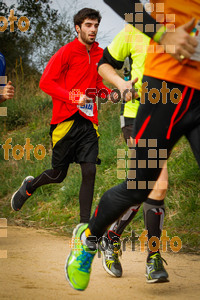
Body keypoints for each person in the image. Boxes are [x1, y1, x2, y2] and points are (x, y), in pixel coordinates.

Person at [65, 0, 200, 291]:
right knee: (144, 186)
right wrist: (161, 35)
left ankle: (150, 256)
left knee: (155, 186)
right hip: (160, 95)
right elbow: (105, 64)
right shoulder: (134, 29)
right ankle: (92, 238)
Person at [11, 8, 111, 225]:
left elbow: (98, 84)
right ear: (78, 28)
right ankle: (29, 186)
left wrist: (111, 94)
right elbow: (45, 82)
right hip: (65, 120)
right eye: (88, 25)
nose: (93, 29)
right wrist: (73, 97)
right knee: (58, 175)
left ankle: (85, 226)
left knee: (90, 170)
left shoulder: (100, 54)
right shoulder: (66, 52)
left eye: (95, 26)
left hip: (88, 122)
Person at [98, 23, 168, 280]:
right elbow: (103, 63)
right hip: (135, 117)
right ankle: (153, 258)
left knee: (141, 187)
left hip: (168, 118)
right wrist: (120, 82)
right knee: (157, 185)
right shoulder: (133, 30)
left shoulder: (184, 31)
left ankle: (111, 237)